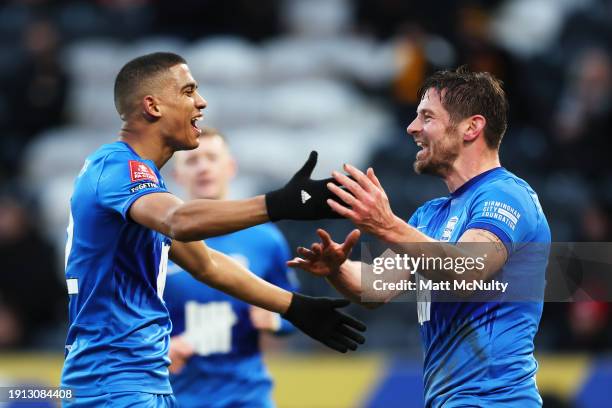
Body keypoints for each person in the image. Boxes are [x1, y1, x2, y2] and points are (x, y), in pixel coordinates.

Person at [61, 52, 366, 407]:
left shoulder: (141, 191)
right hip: (113, 383)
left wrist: (293, 306)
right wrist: (278, 204)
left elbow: (206, 264)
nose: (201, 102)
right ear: (153, 106)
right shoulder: (116, 166)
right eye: (189, 91)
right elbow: (180, 221)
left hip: (142, 381)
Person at [291, 66, 551, 407]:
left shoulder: (505, 194)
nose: (412, 128)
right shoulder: (429, 216)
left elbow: (468, 269)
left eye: (427, 117)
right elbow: (372, 287)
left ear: (471, 127)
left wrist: (385, 225)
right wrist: (336, 268)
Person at [164, 127, 298, 407]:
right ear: (177, 175)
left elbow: (293, 308)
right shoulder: (157, 240)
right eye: (192, 161)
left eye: (212, 158)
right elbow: (127, 314)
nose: (203, 167)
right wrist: (159, 348)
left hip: (247, 395)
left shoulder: (265, 238)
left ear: (230, 167)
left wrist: (274, 319)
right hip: (176, 395)